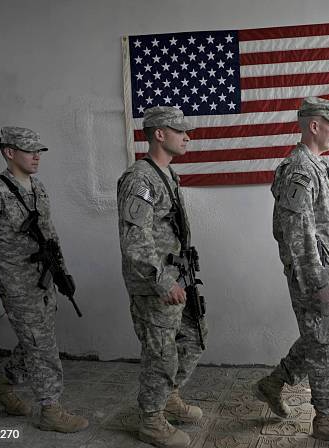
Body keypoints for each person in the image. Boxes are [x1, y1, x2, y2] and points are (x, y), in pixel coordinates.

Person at [253, 97, 329, 446]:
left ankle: (273, 383)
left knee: (317, 338)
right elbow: (298, 232)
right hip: (313, 274)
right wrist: (319, 282)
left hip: (323, 270)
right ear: (314, 126)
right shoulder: (300, 170)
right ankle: (325, 420)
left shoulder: (315, 165)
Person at [0, 126, 89, 433]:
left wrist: (62, 272)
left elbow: (50, 236)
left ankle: (4, 386)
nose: (36, 156)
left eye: (38, 151)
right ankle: (50, 409)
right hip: (14, 283)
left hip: (41, 280)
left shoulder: (38, 187)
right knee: (42, 344)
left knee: (34, 339)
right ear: (9, 152)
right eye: (30, 151)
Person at [117, 106, 206, 448]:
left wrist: (179, 276)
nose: (187, 137)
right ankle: (151, 420)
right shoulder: (140, 179)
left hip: (176, 277)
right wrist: (161, 281)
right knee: (160, 354)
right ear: (158, 134)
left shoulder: (166, 174)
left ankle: (167, 395)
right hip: (155, 284)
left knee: (194, 338)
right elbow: (135, 240)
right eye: (179, 130)